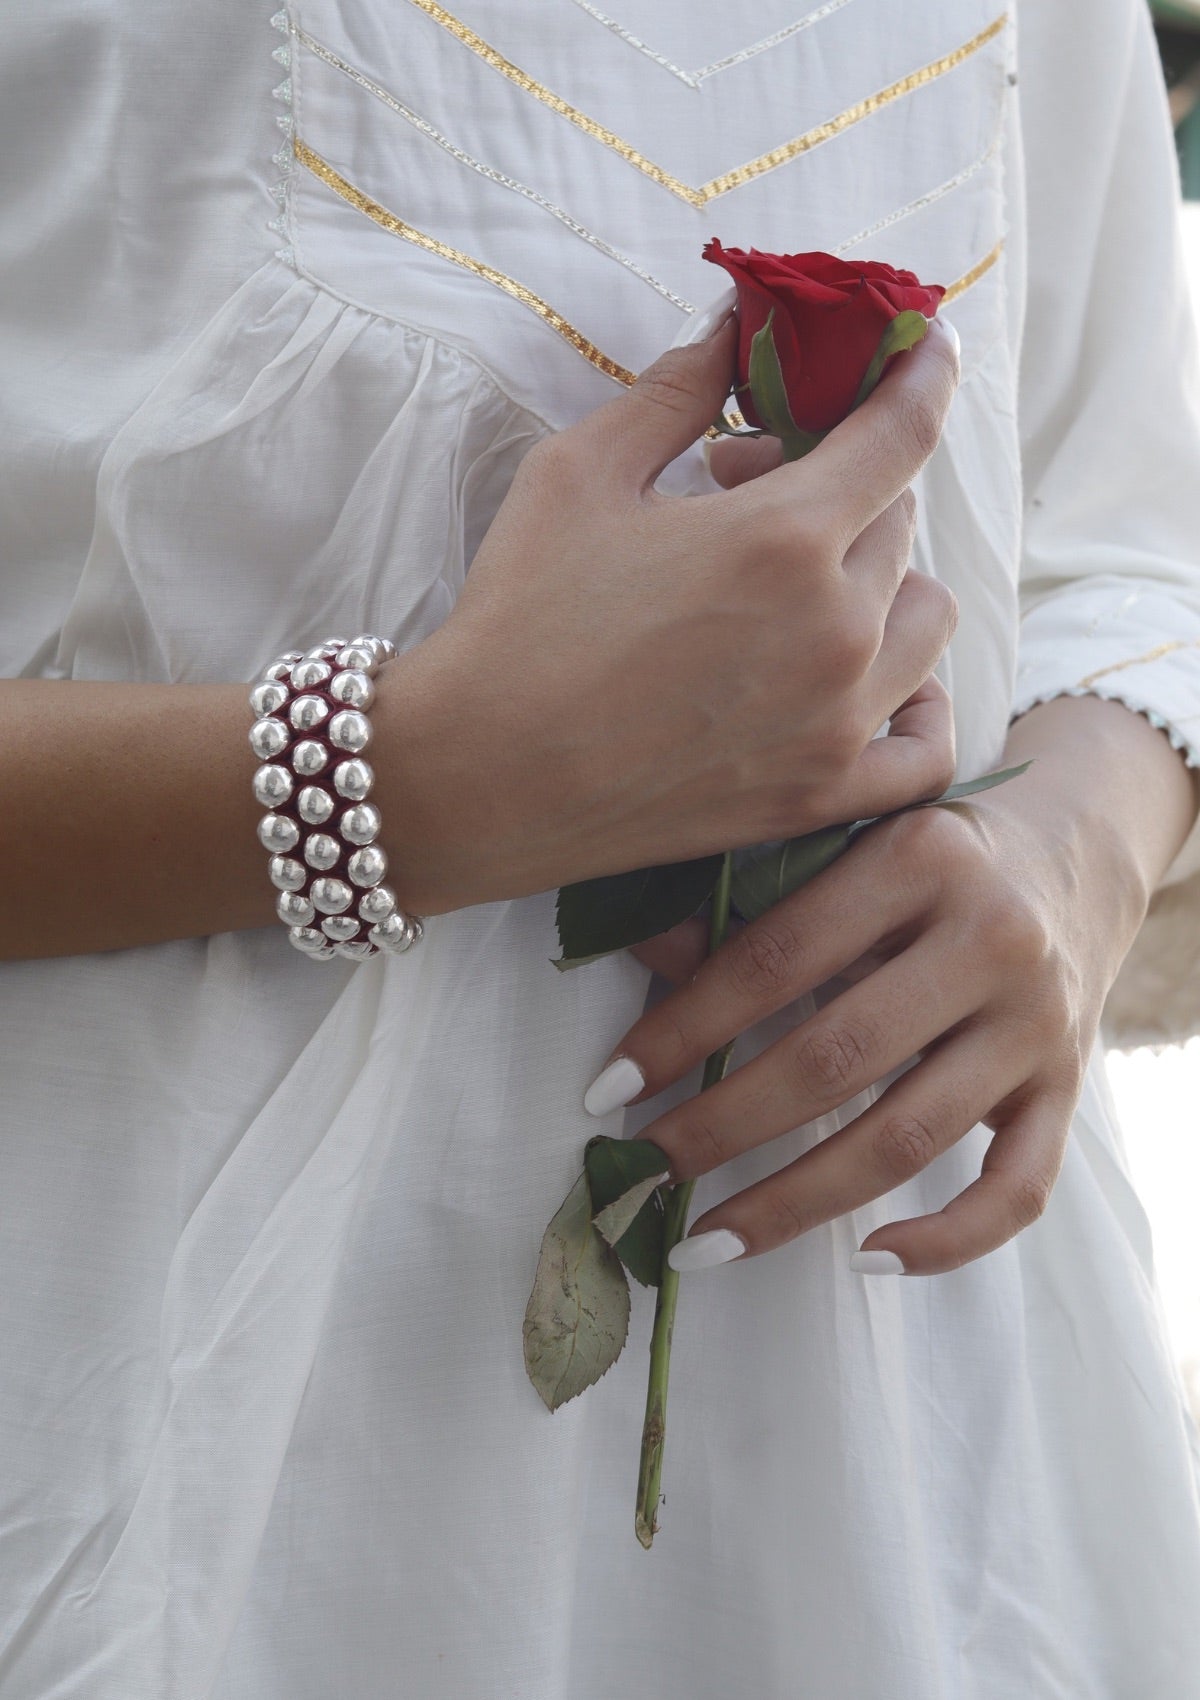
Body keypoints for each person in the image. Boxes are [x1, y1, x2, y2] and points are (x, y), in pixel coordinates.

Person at [2, 1, 1199, 1695]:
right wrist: (406, 783)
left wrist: (1066, 862)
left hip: (929, 1481)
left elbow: (1127, 539)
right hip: (159, 1467)